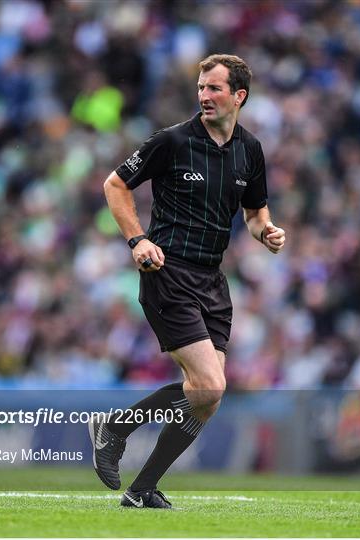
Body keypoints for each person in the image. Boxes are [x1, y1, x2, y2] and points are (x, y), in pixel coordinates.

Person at [89, 54, 286, 509]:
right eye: (201, 87)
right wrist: (137, 239)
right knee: (210, 385)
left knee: (206, 398)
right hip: (167, 272)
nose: (204, 95)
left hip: (212, 281)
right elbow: (115, 185)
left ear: (239, 96)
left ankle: (140, 488)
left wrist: (267, 232)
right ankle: (115, 428)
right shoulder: (173, 141)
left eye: (214, 88)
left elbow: (255, 213)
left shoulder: (249, 150)